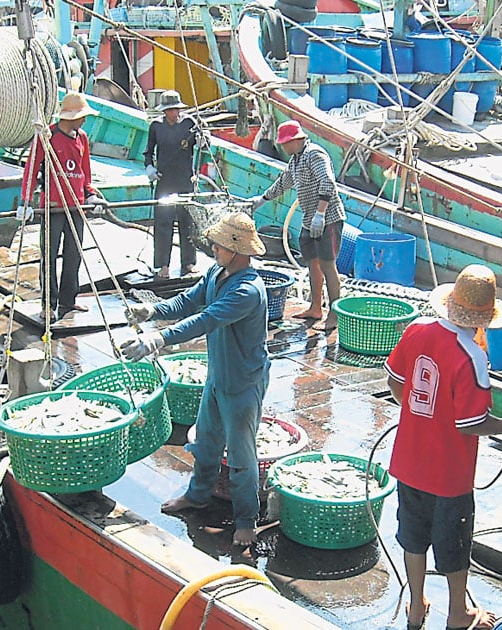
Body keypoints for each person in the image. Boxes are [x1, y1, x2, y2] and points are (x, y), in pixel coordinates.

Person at [384, 265, 502, 630]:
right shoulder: (471, 357)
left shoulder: (417, 330)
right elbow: (472, 423)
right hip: (449, 473)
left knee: (412, 534)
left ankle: (416, 604)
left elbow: (396, 382)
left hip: (409, 459)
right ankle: (458, 613)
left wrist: (417, 416)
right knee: (454, 542)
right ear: (483, 318)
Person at [120, 212, 270, 546]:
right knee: (207, 442)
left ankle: (247, 519)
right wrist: (154, 310)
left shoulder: (247, 290)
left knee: (242, 456)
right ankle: (198, 496)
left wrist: (157, 340)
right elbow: (190, 300)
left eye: (218, 244)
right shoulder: (218, 272)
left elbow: (206, 319)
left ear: (236, 248)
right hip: (218, 375)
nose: (213, 248)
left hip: (244, 383)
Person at [19, 91, 107, 321]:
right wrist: (25, 201)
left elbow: (85, 172)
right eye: (82, 116)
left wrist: (90, 194)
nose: (84, 120)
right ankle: (48, 304)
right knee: (49, 255)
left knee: (74, 254)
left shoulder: (82, 138)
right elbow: (31, 169)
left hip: (76, 207)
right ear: (71, 116)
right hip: (53, 206)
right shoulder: (47, 137)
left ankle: (69, 300)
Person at [252, 120, 345, 331]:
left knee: (328, 266)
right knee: (312, 263)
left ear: (297, 140)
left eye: (286, 143)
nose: (283, 147)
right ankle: (315, 307)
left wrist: (320, 213)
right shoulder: (295, 160)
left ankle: (334, 314)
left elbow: (328, 182)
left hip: (328, 218)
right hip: (308, 219)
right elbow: (283, 182)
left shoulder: (315, 154)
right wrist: (263, 199)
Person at [144, 90, 202, 279]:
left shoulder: (189, 124)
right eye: (170, 110)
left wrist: (202, 139)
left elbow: (202, 144)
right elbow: (148, 152)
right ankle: (162, 265)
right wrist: (150, 169)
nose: (174, 113)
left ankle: (188, 262)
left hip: (185, 180)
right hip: (165, 181)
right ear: (164, 111)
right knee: (163, 223)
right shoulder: (156, 127)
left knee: (187, 222)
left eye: (176, 109)